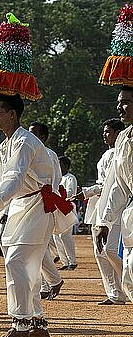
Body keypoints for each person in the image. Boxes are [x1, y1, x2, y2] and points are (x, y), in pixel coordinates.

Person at [0, 94, 65, 337]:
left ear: (12, 114)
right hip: (18, 206)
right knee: (28, 267)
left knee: (16, 262)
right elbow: (7, 181)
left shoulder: (25, 141)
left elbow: (15, 177)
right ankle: (36, 323)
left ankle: (22, 322)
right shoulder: (5, 146)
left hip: (37, 205)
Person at [73, 118, 126, 305]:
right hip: (100, 206)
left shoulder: (118, 153)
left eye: (108, 131)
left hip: (116, 207)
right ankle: (115, 293)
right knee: (100, 252)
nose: (105, 135)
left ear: (118, 133)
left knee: (111, 250)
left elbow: (109, 185)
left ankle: (127, 286)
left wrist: (86, 192)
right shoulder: (107, 154)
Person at [98, 86, 133, 303]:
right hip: (130, 215)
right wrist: (105, 222)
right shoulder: (123, 139)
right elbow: (119, 186)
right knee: (129, 275)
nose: (120, 107)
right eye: (119, 102)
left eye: (126, 102)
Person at [28, 122, 65, 300]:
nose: (30, 136)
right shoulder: (27, 151)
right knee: (35, 247)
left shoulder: (49, 154)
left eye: (34, 134)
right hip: (27, 205)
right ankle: (50, 282)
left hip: (44, 204)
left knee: (37, 246)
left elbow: (55, 182)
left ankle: (51, 281)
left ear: (43, 137)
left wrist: (52, 205)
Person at [56, 155, 78, 270]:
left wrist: (57, 195)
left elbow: (70, 193)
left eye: (60, 164)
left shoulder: (70, 178)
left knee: (65, 235)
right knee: (56, 236)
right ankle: (64, 262)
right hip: (57, 209)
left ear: (65, 166)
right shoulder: (56, 177)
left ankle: (72, 261)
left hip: (67, 207)